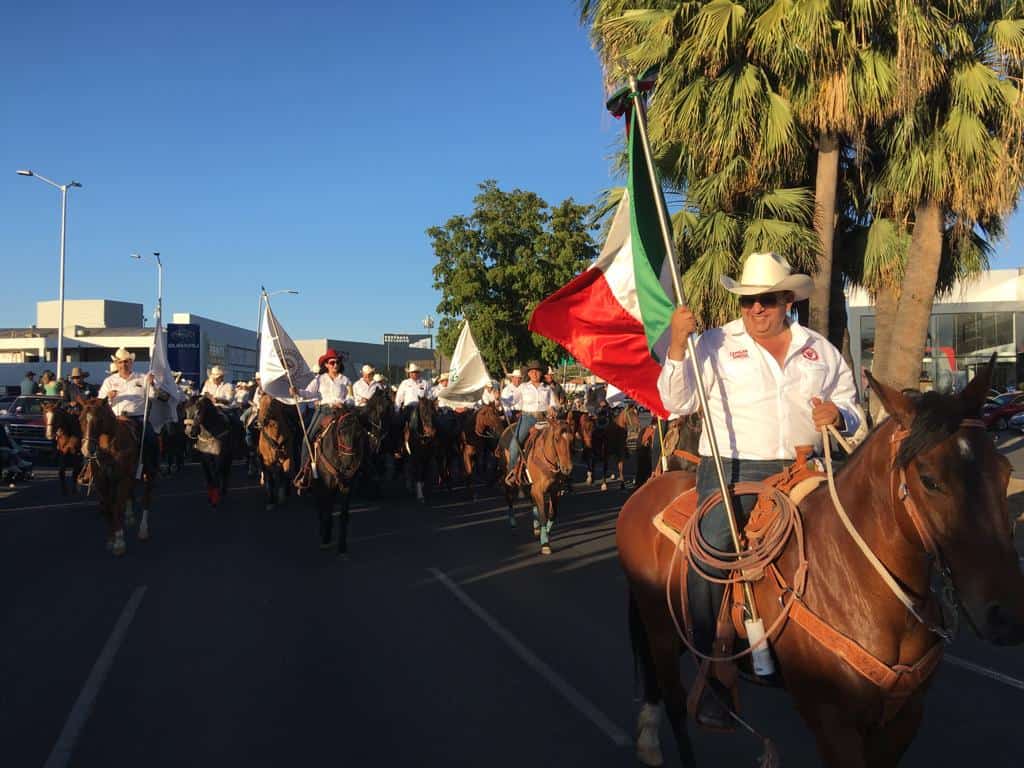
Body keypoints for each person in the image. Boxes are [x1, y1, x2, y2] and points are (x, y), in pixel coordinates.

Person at [657, 251, 861, 728]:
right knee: (714, 548)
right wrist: (678, 346)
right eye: (748, 301)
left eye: (766, 300)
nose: (756, 310)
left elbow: (852, 408)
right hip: (732, 464)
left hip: (804, 464)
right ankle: (713, 669)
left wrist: (839, 415)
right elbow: (675, 402)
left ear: (788, 299)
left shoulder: (820, 350)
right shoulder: (712, 343)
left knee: (844, 541)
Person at [97, 347, 164, 464]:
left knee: (151, 439)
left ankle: (151, 468)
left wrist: (152, 384)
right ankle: (93, 466)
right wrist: (108, 397)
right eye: (120, 362)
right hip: (115, 418)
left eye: (126, 361)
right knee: (96, 439)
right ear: (116, 364)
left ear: (131, 363)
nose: (123, 365)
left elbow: (152, 395)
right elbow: (100, 401)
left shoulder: (143, 378)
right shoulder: (109, 381)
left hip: (138, 418)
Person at [291, 348, 354, 468]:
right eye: (332, 362)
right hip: (323, 411)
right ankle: (304, 470)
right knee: (306, 439)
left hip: (341, 411)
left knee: (355, 435)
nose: (335, 365)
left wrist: (343, 402)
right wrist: (297, 391)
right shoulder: (319, 379)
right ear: (326, 364)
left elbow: (351, 398)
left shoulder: (346, 380)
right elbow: (309, 393)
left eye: (337, 362)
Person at [505, 360, 553, 484]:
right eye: (532, 371)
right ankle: (512, 472)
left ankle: (563, 473)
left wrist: (553, 408)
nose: (535, 373)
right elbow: (512, 399)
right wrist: (504, 400)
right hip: (527, 418)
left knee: (559, 439)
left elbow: (554, 404)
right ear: (529, 374)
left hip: (544, 420)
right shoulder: (523, 387)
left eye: (537, 371)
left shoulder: (547, 388)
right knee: (514, 445)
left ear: (541, 373)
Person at [393, 363, 432, 430]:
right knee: (399, 424)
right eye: (412, 372)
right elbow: (399, 397)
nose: (414, 374)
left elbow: (429, 396)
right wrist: (397, 410)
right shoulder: (405, 383)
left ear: (419, 373)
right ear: (409, 373)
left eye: (416, 372)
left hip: (422, 410)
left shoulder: (425, 383)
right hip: (408, 408)